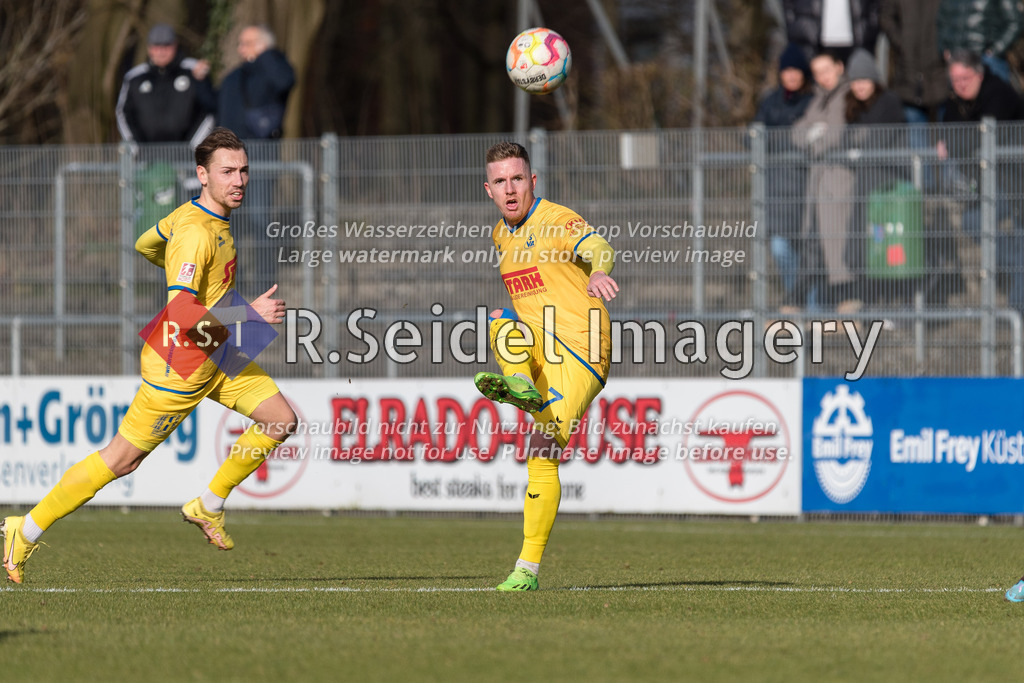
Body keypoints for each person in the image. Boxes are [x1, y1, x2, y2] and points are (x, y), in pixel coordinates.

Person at [1, 128, 298, 584]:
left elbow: (145, 243)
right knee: (122, 459)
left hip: (215, 348)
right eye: (227, 172)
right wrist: (250, 317)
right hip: (179, 361)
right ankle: (25, 529)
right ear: (202, 175)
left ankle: (208, 503)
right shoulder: (197, 232)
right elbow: (180, 310)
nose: (239, 180)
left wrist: (218, 305)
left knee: (280, 418)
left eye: (243, 170)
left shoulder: (194, 218)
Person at [475, 141, 619, 591]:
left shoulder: (556, 219)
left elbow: (598, 245)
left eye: (518, 178)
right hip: (539, 349)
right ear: (489, 190)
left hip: (580, 350)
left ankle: (526, 570)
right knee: (499, 322)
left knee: (542, 451)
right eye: (500, 181)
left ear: (532, 181)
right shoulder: (501, 235)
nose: (510, 188)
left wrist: (598, 270)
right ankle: (519, 384)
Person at [939, 49, 1024, 312]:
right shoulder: (955, 101)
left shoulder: (999, 93)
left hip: (1014, 181)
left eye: (966, 77)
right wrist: (963, 141)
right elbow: (951, 133)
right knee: (974, 222)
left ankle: (1017, 309)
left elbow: (984, 138)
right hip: (989, 184)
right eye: (955, 79)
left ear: (979, 73)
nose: (960, 84)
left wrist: (959, 142)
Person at [216, 25, 296, 296]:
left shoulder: (275, 69)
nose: (241, 49)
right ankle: (230, 280)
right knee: (229, 221)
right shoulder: (233, 78)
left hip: (262, 155)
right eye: (241, 43)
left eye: (248, 43)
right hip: (231, 154)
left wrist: (266, 54)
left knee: (260, 217)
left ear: (263, 46)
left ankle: (265, 281)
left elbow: (285, 82)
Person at [791, 50, 860, 311]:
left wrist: (814, 136)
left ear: (839, 67)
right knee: (816, 241)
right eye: (818, 73)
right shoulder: (817, 100)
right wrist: (814, 134)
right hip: (818, 180)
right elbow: (796, 133)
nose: (823, 77)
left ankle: (847, 307)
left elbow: (835, 135)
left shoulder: (846, 95)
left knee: (837, 244)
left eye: (827, 70)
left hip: (838, 180)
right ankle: (812, 307)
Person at [842, 48, 909, 304]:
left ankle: (896, 304)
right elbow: (847, 143)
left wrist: (857, 149)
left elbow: (874, 144)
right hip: (866, 188)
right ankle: (868, 304)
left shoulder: (889, 102)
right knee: (862, 249)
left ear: (874, 80)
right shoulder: (854, 108)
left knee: (888, 247)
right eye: (855, 81)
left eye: (864, 80)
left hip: (888, 189)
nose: (859, 86)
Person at [753, 43, 815, 309]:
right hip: (777, 190)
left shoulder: (812, 101)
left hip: (806, 189)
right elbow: (753, 136)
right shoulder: (770, 102)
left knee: (808, 257)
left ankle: (812, 313)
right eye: (786, 71)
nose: (791, 76)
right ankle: (797, 304)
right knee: (780, 248)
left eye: (796, 71)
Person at [115, 23, 216, 147]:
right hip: (146, 157)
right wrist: (137, 147)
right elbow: (123, 113)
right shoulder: (134, 78)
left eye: (166, 46)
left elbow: (210, 111)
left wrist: (193, 147)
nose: (161, 51)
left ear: (175, 46)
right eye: (157, 46)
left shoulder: (194, 71)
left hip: (188, 156)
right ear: (149, 48)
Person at [937, 0, 1023, 85]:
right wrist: (944, 50)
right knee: (958, 98)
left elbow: (1016, 22)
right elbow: (942, 23)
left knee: (996, 96)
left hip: (989, 61)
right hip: (957, 61)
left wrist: (994, 51)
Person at [783, 0, 881, 62]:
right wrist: (794, 29)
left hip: (857, 42)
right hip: (814, 43)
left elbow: (876, 6)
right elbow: (788, 6)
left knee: (858, 90)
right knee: (817, 92)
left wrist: (870, 30)